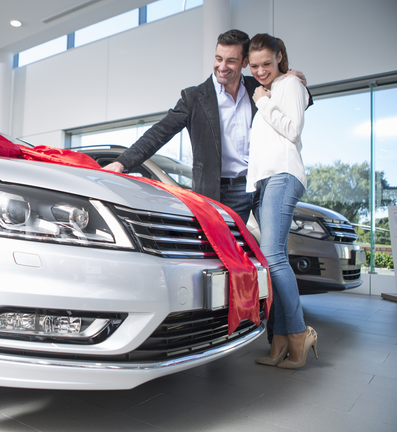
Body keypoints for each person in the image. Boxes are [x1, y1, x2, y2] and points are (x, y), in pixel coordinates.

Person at [102, 29, 310, 224]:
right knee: (225, 255)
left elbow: (295, 106)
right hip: (224, 191)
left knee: (271, 250)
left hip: (262, 183)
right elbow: (160, 132)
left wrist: (296, 82)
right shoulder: (195, 98)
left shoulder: (259, 87)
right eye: (218, 59)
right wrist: (122, 163)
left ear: (245, 62)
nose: (222, 66)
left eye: (231, 61)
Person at [247, 33, 316, 369]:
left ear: (280, 58)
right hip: (266, 181)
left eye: (267, 64)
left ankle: (300, 333)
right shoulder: (273, 89)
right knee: (271, 259)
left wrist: (262, 100)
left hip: (283, 175)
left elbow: (292, 130)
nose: (261, 71)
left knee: (273, 257)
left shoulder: (288, 85)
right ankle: (279, 340)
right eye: (255, 65)